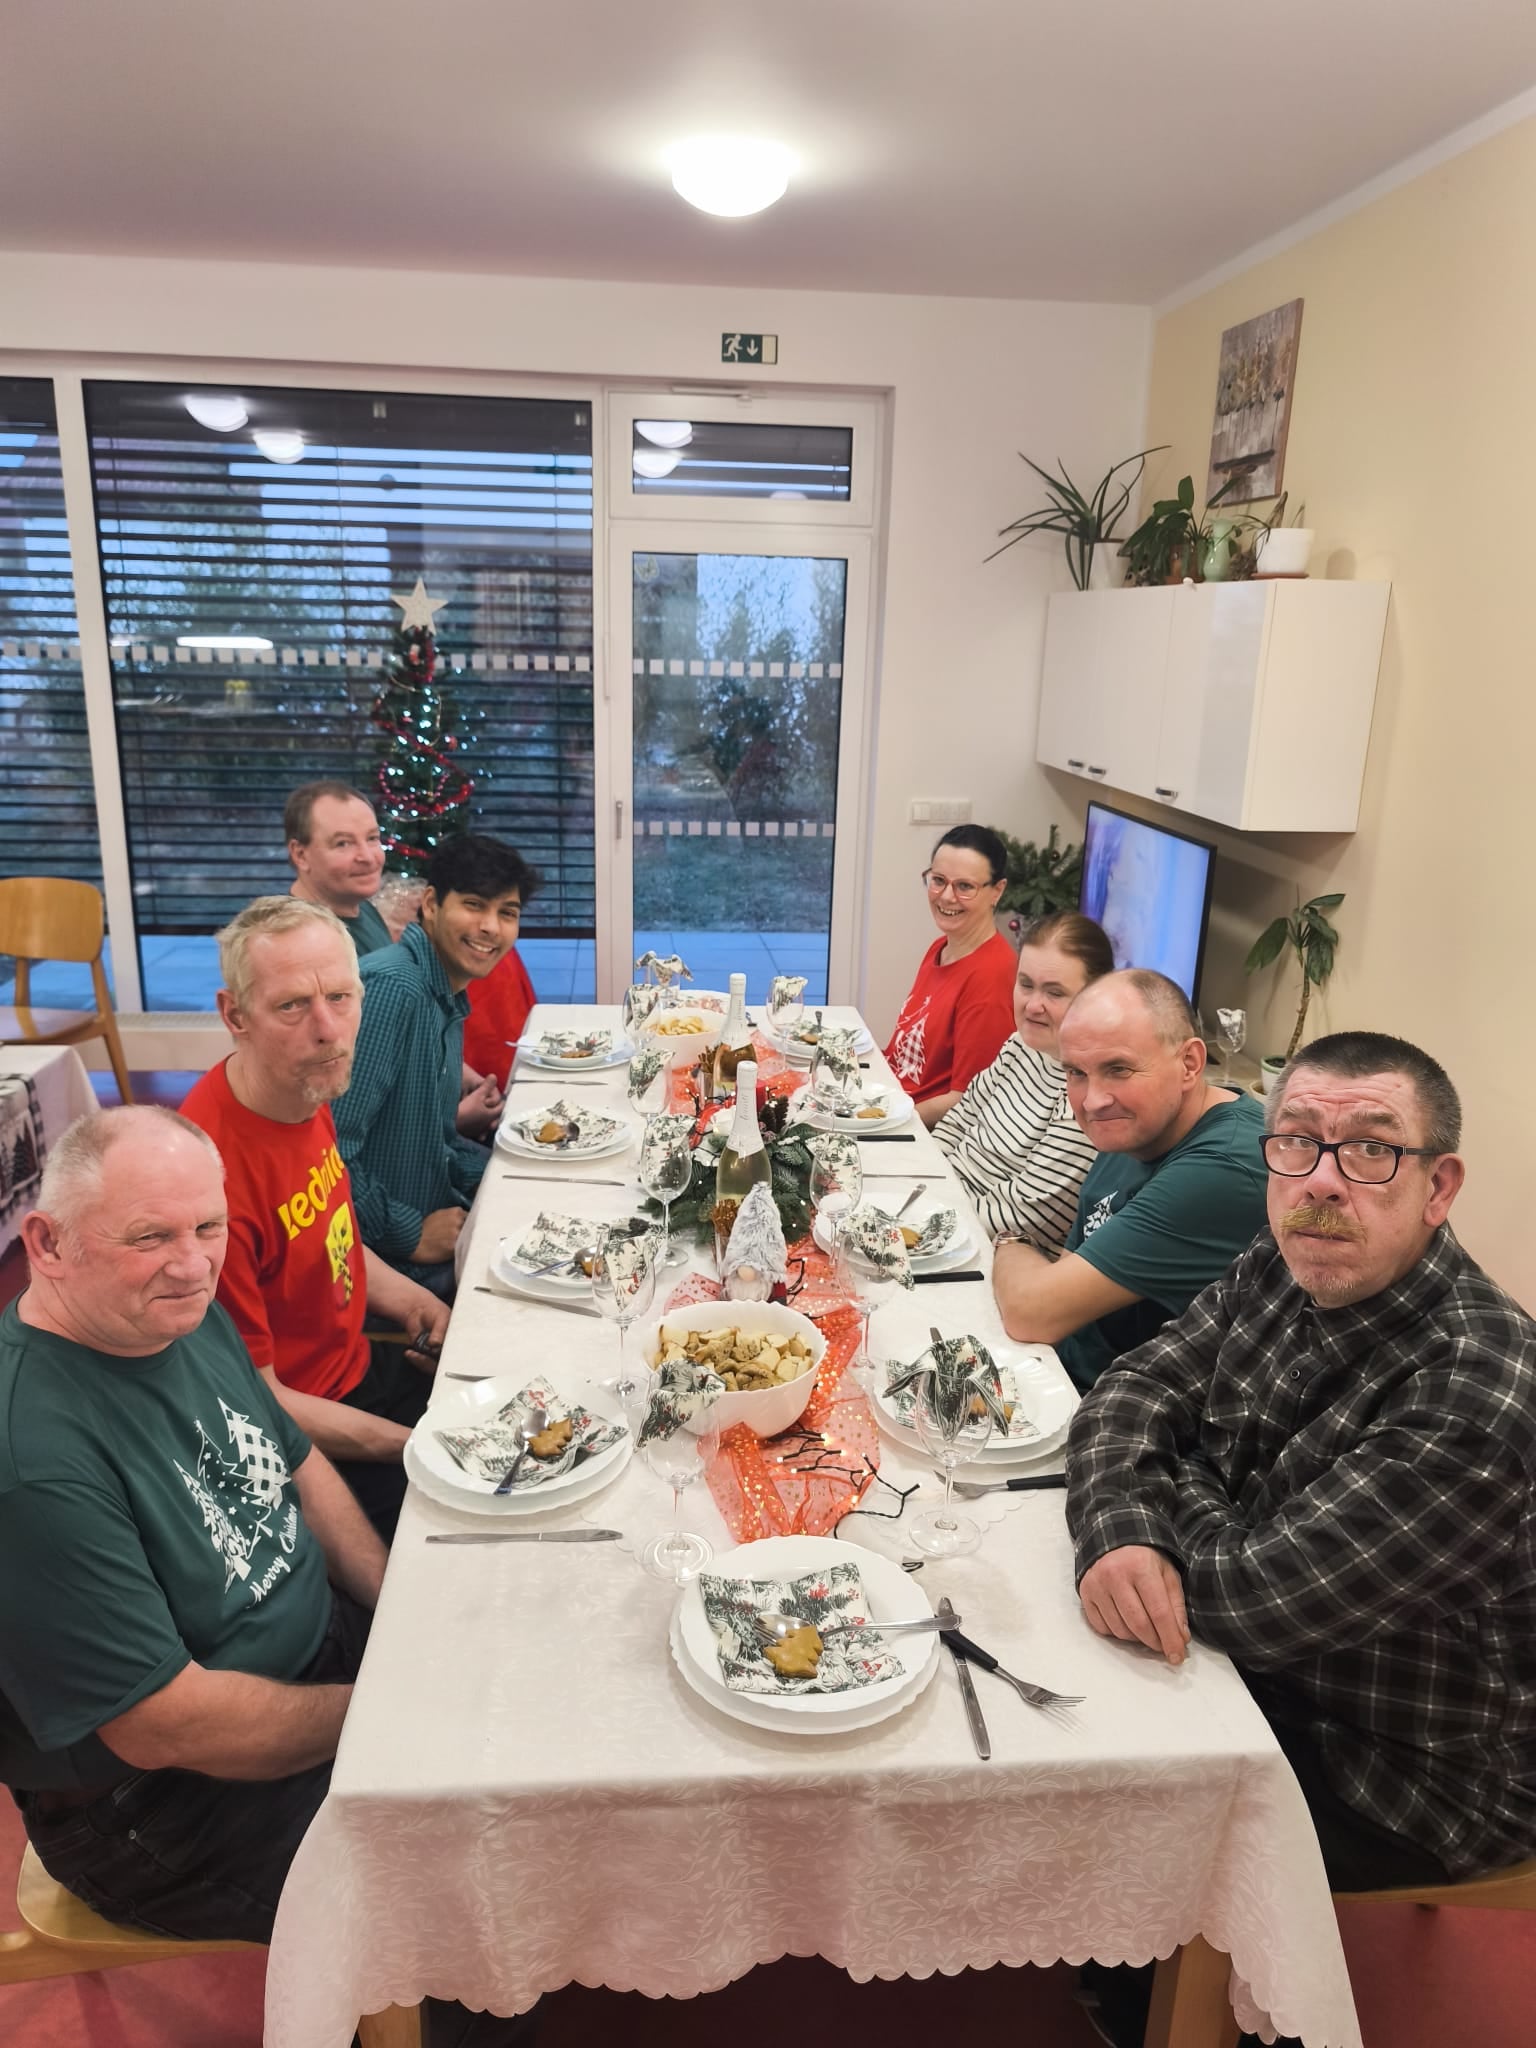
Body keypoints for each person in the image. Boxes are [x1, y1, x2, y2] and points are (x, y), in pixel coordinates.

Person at [1064, 1033, 1536, 2048]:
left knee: (1084, 1786)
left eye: (1371, 1150)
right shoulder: (1291, 1259)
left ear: (1439, 1186)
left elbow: (1251, 1602)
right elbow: (1131, 1388)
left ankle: (1158, 2003)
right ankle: (1118, 1959)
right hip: (1275, 1668)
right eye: (1298, 1143)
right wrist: (1122, 1523)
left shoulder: (1477, 1388)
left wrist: (1174, 1481)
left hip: (1397, 1762)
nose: (1323, 1181)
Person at [182, 896, 450, 1541]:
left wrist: (418, 1303)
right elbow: (255, 1401)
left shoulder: (303, 1083)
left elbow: (332, 1236)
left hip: (356, 1369)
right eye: (291, 1006)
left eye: (340, 997)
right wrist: (411, 1446)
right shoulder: (209, 1188)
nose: (328, 1029)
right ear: (234, 1016)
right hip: (299, 1439)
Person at [992, 968, 1267, 1388]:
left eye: (1118, 1069)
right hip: (1055, 1370)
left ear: (1190, 1064)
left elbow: (1030, 1312)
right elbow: (1065, 1273)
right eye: (1076, 1073)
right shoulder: (1135, 1128)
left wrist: (1011, 1242)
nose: (1093, 1101)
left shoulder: (1224, 1168)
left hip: (1114, 1407)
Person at [334, 832, 537, 1297]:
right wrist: (410, 1234)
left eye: (507, 913)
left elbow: (437, 1139)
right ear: (430, 904)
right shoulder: (394, 989)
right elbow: (330, 1152)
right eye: (474, 905)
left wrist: (501, 1181)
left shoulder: (444, 992)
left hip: (430, 1209)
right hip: (385, 1260)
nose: (491, 927)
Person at [933, 909, 1113, 1246]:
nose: (1032, 1006)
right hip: (941, 1210)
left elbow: (1023, 1218)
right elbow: (956, 1124)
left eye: (1054, 993)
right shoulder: (1022, 1045)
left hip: (987, 1250)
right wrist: (920, 1183)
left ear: (1096, 997)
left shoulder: (1087, 1097)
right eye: (1026, 985)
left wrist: (927, 1218)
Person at [884, 825, 1017, 1128]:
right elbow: (905, 1058)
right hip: (894, 1102)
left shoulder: (992, 976)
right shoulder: (940, 948)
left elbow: (968, 1097)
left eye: (965, 886)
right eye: (938, 881)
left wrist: (886, 1123)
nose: (946, 897)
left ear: (997, 891)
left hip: (918, 1131)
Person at [284, 779, 393, 957]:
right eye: (343, 843)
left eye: (372, 838)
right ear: (300, 855)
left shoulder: (360, 907)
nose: (367, 857)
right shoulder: (304, 945)